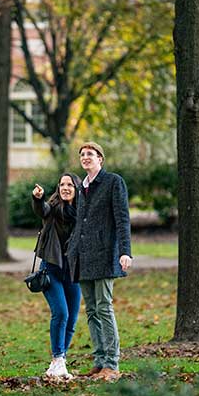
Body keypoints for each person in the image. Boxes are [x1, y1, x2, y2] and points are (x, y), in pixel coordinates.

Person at [67, 141, 132, 382]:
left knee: (104, 307)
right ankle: (99, 360)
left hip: (105, 255)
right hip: (83, 257)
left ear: (100, 159)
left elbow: (122, 218)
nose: (86, 157)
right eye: (83, 154)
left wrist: (125, 252)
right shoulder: (81, 186)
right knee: (91, 310)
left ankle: (112, 364)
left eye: (90, 154)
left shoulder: (113, 182)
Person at [31, 173, 82, 379]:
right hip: (51, 269)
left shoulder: (82, 212)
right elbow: (41, 209)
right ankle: (58, 357)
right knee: (60, 313)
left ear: (77, 189)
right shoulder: (51, 208)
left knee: (72, 319)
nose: (65, 188)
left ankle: (58, 362)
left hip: (73, 271)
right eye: (62, 184)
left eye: (70, 184)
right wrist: (38, 198)